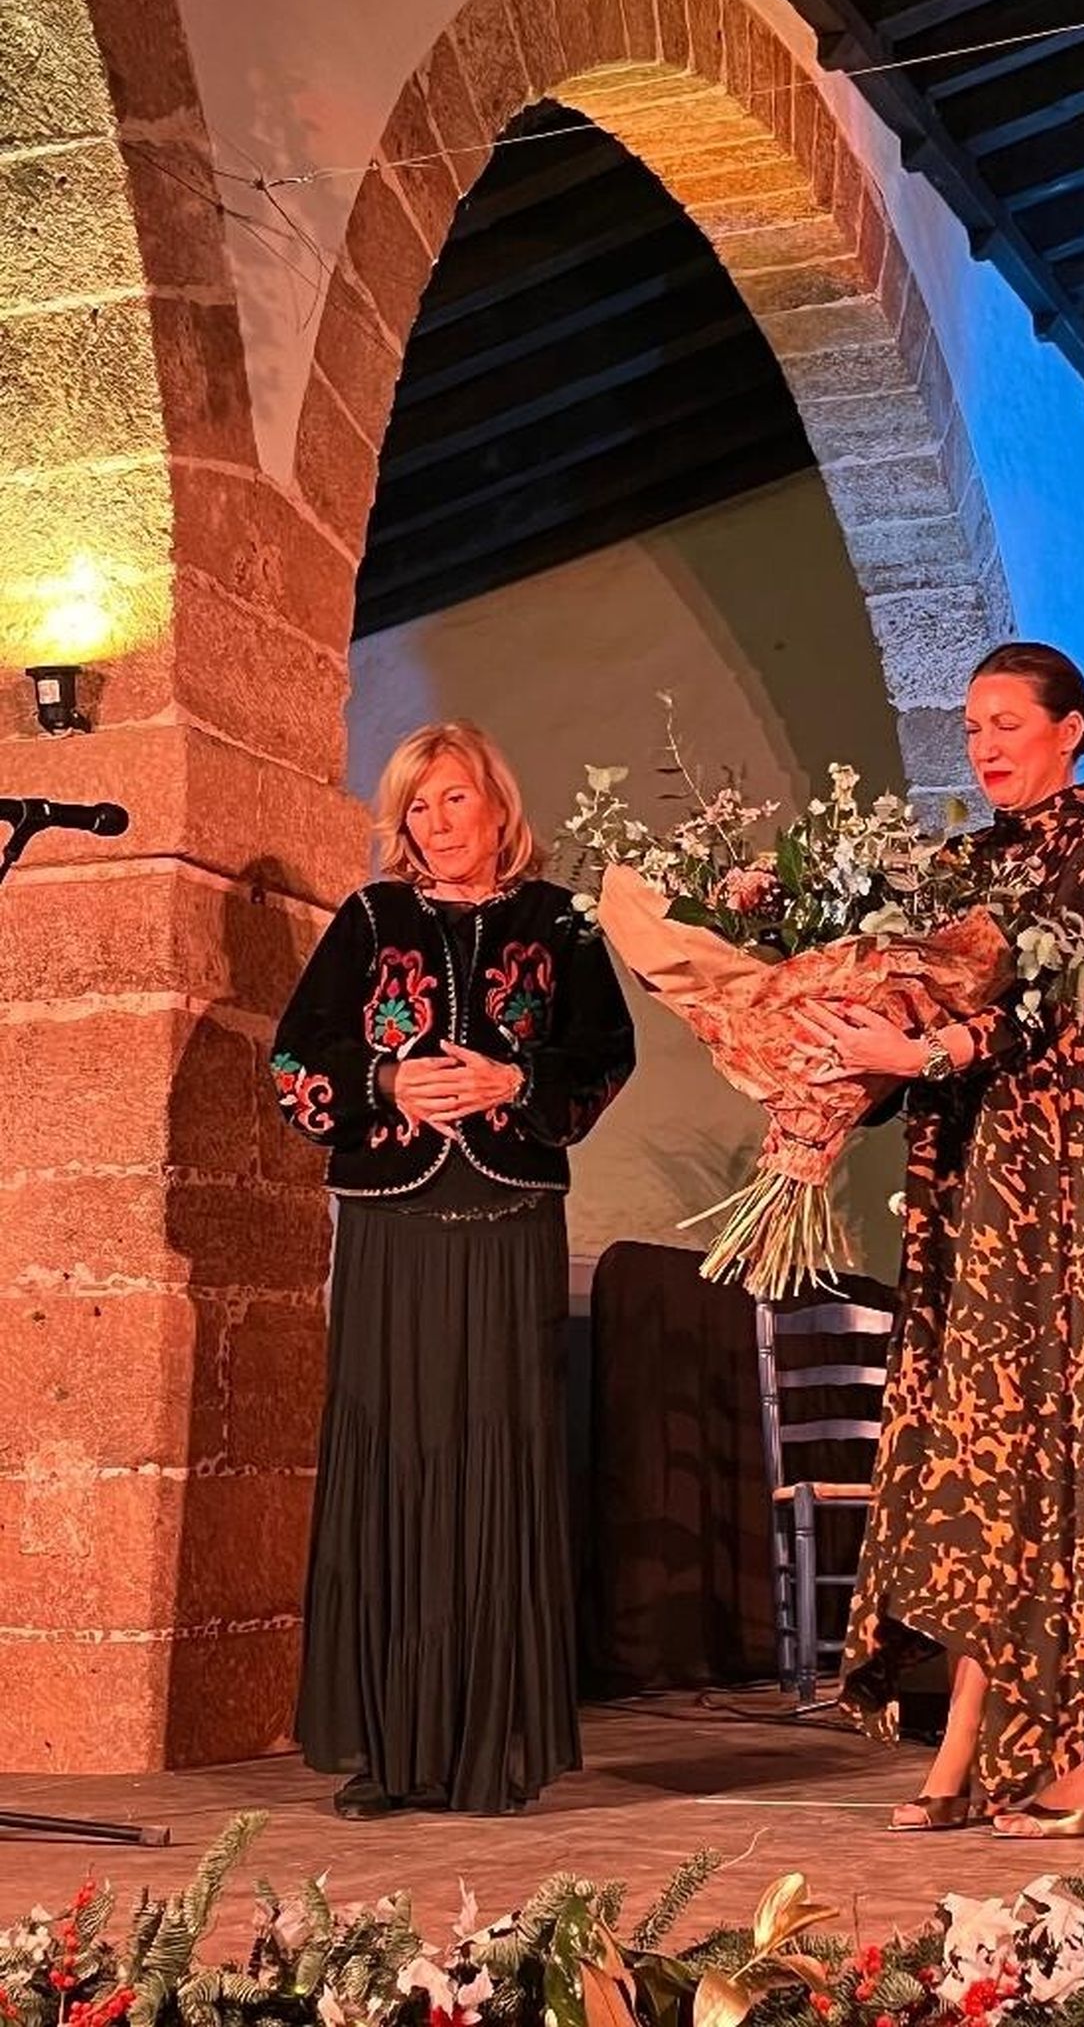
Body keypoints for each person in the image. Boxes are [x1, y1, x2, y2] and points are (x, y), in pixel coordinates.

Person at [805, 642, 1084, 1838]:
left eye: (1005, 722)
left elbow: (1056, 1011)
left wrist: (922, 1051)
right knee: (986, 1461)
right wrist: (827, 1066)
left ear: (1069, 728)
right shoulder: (960, 867)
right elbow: (917, 1010)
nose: (982, 745)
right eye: (971, 726)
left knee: (1067, 1447)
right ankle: (967, 1741)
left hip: (1071, 1192)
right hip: (978, 1189)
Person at [269, 720, 635, 1817]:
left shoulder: (559, 919)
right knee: (394, 1457)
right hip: (394, 1221)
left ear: (497, 805)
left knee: (498, 1461)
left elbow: (605, 1052)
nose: (434, 823)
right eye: (417, 806)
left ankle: (493, 1749)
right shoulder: (371, 917)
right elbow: (296, 1055)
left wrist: (513, 1081)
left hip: (510, 1216)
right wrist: (386, 1084)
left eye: (453, 798)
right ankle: (390, 1752)